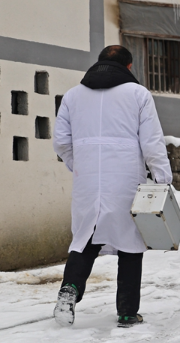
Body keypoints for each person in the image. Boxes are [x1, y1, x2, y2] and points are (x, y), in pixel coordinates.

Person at [52, 45, 172, 328]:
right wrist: (162, 176)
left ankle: (69, 291)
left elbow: (60, 141)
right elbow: (152, 141)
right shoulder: (138, 94)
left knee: (85, 237)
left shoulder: (73, 95)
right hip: (126, 176)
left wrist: (77, 163)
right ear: (129, 67)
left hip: (88, 180)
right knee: (130, 242)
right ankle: (128, 312)